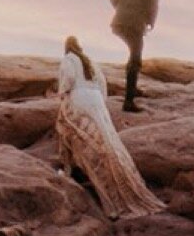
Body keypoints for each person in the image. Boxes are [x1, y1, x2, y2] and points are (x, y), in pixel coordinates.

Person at [54, 37, 155, 217]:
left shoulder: (68, 59)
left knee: (72, 131)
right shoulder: (90, 60)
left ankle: (72, 172)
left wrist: (62, 93)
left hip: (79, 98)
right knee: (107, 140)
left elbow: (68, 78)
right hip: (96, 100)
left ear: (66, 48)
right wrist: (101, 101)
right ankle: (119, 181)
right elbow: (102, 83)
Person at [108, 0, 159, 114]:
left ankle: (133, 88)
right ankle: (128, 102)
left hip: (118, 24)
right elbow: (152, 7)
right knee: (135, 59)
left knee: (134, 54)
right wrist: (150, 23)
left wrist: (123, 10)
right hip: (134, 26)